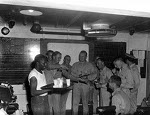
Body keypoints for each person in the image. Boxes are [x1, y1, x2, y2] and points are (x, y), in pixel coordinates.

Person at [71, 50, 97, 115]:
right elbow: (71, 73)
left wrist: (87, 77)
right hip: (77, 84)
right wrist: (78, 76)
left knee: (85, 102)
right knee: (75, 102)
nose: (81, 57)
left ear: (86, 57)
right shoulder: (75, 64)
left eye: (82, 56)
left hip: (85, 85)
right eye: (80, 56)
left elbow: (94, 74)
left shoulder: (90, 65)